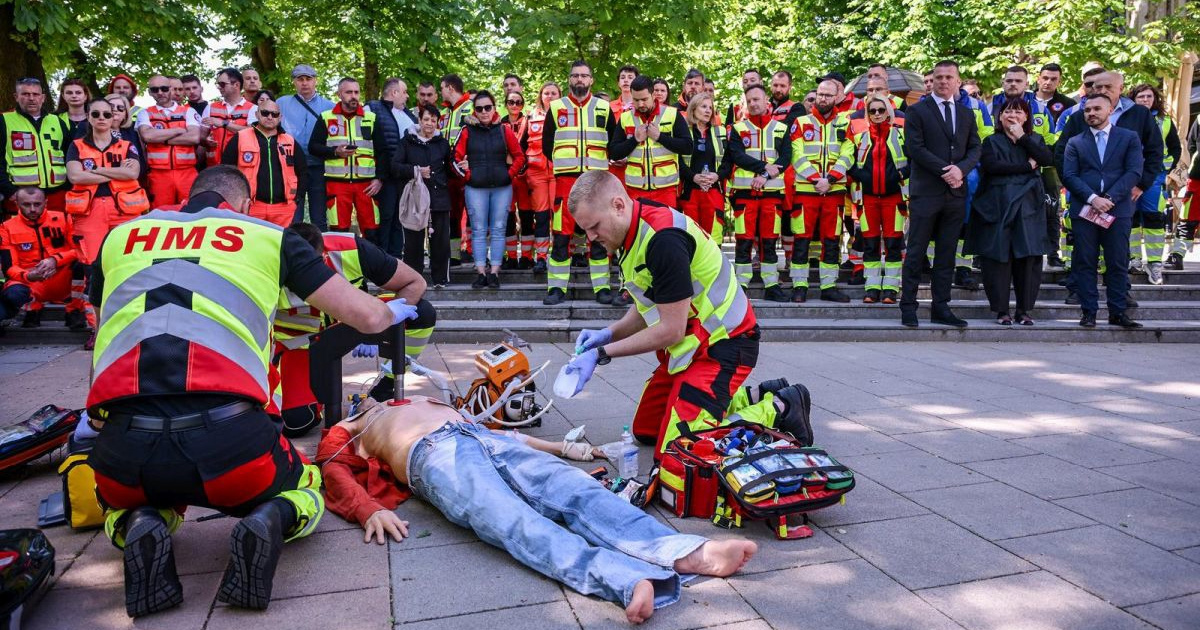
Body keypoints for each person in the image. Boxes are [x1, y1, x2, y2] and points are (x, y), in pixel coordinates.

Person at [82, 165, 418, 618]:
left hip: (127, 443)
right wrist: (393, 311)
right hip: (231, 443)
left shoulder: (119, 237)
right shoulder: (268, 237)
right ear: (243, 205)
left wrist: (99, 419)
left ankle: (142, 519)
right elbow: (368, 317)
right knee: (307, 487)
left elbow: (102, 334)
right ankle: (268, 517)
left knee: (119, 506)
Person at [318, 396, 757, 624]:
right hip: (434, 457)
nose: (365, 398)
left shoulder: (416, 400)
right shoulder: (352, 427)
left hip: (485, 438)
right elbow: (332, 470)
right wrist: (367, 510)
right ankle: (624, 580)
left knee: (577, 491)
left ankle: (687, 552)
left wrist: (566, 449)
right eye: (358, 398)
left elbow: (509, 434)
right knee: (514, 521)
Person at [563, 170, 812, 454]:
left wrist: (602, 353)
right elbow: (650, 305)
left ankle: (782, 406)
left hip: (725, 344)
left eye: (594, 226)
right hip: (695, 345)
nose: (591, 237)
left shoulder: (662, 240)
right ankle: (756, 394)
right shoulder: (635, 230)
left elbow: (671, 330)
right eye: (586, 230)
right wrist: (608, 334)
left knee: (678, 449)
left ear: (618, 205)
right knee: (646, 429)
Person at [272, 222, 436, 437]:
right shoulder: (266, 264)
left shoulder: (350, 249)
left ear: (323, 256)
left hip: (354, 321)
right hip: (298, 344)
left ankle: (385, 388)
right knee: (296, 422)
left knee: (421, 313)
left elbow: (415, 283)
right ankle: (311, 401)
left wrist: (378, 326)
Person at [1055, 71, 1164, 307]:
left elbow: (1155, 151)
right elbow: (1061, 154)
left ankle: (1120, 294)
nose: (1102, 91)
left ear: (1121, 88)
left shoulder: (1139, 114)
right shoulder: (1080, 116)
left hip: (1123, 196)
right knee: (1084, 251)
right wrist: (1081, 190)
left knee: (1117, 252)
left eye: (1108, 87)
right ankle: (1080, 291)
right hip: (1086, 198)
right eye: (1097, 87)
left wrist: (1141, 184)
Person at [900, 60, 982, 328]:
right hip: (926, 192)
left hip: (955, 193)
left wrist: (961, 170)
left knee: (946, 253)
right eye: (939, 77)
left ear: (958, 81)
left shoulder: (966, 113)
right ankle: (908, 307)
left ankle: (941, 307)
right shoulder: (917, 110)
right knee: (916, 251)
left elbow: (975, 148)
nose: (943, 81)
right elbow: (915, 148)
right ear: (932, 81)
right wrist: (946, 170)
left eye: (949, 77)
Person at [966, 97, 1054, 326]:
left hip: (1028, 206)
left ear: (1026, 117)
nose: (1012, 115)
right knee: (998, 258)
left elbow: (1046, 159)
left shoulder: (1035, 139)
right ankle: (1001, 310)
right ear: (1000, 116)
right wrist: (1026, 166)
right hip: (998, 205)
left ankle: (1024, 311)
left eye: (1018, 112)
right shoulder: (991, 141)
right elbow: (993, 167)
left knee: (1028, 258)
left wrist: (1022, 138)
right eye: (1007, 111)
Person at [541, 60, 620, 306]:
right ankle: (556, 289)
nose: (579, 80)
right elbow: (546, 146)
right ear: (569, 80)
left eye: (584, 76)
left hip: (596, 183)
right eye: (575, 75)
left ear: (591, 80)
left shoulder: (604, 108)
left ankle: (602, 289)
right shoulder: (556, 108)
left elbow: (613, 143)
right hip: (566, 181)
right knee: (561, 237)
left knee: (598, 237)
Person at [1062, 96, 1144, 329]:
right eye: (1087, 110)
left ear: (1110, 110)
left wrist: (1109, 199)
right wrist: (1093, 199)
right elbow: (1069, 175)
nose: (1091, 113)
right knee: (1085, 262)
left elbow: (1133, 171)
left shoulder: (1129, 138)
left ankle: (1117, 312)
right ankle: (1089, 312)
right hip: (1085, 210)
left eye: (1097, 108)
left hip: (1118, 210)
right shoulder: (1075, 142)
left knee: (1117, 262)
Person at [788, 79, 854, 303]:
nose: (822, 98)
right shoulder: (801, 122)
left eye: (827, 95)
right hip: (806, 191)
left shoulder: (845, 123)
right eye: (820, 94)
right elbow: (796, 155)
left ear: (837, 97)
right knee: (802, 240)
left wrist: (831, 178)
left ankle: (829, 286)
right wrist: (816, 179)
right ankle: (799, 286)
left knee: (832, 240)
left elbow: (848, 154)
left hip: (834, 191)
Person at [453, 90, 525, 289]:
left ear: (494, 108)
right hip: (475, 188)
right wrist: (468, 176)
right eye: (479, 108)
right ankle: (481, 272)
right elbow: (455, 158)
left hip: (502, 188)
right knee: (478, 230)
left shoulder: (504, 130)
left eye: (487, 107)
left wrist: (509, 175)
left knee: (499, 229)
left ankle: (494, 272)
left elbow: (520, 156)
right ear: (474, 111)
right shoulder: (466, 131)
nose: (484, 112)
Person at [726, 83, 791, 302]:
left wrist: (765, 176)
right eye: (749, 101)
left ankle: (771, 284)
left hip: (772, 194)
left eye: (757, 99)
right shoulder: (737, 129)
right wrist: (764, 167)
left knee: (769, 241)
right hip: (745, 194)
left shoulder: (781, 128)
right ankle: (741, 286)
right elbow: (737, 156)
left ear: (766, 101)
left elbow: (786, 158)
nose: (753, 104)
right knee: (743, 241)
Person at [64, 98, 148, 264]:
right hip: (89, 211)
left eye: (106, 114)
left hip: (124, 210)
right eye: (96, 114)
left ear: (112, 118)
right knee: (92, 262)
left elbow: (133, 173)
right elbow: (75, 176)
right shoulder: (77, 146)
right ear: (88, 117)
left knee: (129, 260)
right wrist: (118, 172)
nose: (101, 118)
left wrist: (97, 169)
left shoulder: (126, 145)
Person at [0, 187, 91, 330]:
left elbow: (80, 251)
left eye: (37, 204)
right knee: (13, 293)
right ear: (16, 204)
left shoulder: (64, 218)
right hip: (30, 281)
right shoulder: (6, 227)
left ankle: (74, 311)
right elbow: (9, 267)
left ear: (46, 202)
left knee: (82, 265)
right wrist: (28, 276)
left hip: (62, 277)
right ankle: (31, 310)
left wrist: (55, 260)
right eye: (26, 204)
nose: (32, 209)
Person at [847, 94, 908, 305]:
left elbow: (913, 158)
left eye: (881, 110)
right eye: (872, 111)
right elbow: (847, 159)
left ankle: (891, 289)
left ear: (888, 112)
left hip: (894, 198)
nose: (877, 114)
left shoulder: (901, 135)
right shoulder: (860, 137)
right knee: (870, 244)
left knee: (893, 243)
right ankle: (872, 288)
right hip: (867, 198)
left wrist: (901, 174)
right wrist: (860, 175)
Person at [308, 77, 385, 237]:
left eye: (356, 92)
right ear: (339, 94)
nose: (353, 96)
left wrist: (379, 178)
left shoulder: (371, 118)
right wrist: (335, 152)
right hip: (337, 184)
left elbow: (382, 151)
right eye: (349, 92)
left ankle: (369, 255)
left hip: (367, 185)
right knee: (339, 231)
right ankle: (342, 255)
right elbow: (313, 147)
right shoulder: (326, 117)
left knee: (372, 230)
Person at [608, 75, 692, 208]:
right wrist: (635, 139)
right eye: (636, 100)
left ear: (653, 95)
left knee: (665, 222)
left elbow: (688, 147)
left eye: (644, 99)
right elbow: (614, 153)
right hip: (635, 191)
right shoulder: (625, 118)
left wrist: (660, 137)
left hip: (666, 190)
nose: (640, 104)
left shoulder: (672, 114)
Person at [393, 104, 453, 287]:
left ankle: (440, 279)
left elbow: (450, 169)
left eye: (433, 120)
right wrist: (416, 171)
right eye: (426, 119)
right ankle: (414, 281)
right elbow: (395, 167)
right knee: (413, 243)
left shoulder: (442, 144)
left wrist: (462, 165)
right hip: (415, 199)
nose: (429, 123)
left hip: (439, 198)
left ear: (438, 123)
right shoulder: (406, 142)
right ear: (419, 120)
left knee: (441, 242)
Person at [221, 99, 306, 227]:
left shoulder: (290, 141)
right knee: (251, 239)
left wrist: (297, 199)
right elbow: (226, 171)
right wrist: (235, 200)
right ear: (257, 114)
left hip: (284, 208)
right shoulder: (240, 137)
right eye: (265, 113)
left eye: (274, 114)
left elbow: (303, 172)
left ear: (280, 118)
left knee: (280, 240)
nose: (270, 117)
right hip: (250, 206)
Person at [1127, 83, 1179, 285]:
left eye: (1149, 96)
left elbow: (1175, 148)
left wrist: (1165, 167)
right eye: (1141, 97)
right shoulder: (1126, 118)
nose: (1145, 100)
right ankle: (1134, 259)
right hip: (1130, 175)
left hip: (1155, 178)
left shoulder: (1165, 121)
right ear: (1133, 99)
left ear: (1155, 99)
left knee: (1154, 219)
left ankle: (1155, 263)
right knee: (1130, 219)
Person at [1, 78, 71, 214]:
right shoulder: (4, 121)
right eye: (25, 94)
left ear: (43, 97)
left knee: (57, 227)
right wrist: (9, 191)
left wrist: (67, 187)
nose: (31, 98)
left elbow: (70, 156)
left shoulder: (57, 121)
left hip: (57, 195)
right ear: (16, 97)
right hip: (20, 196)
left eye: (35, 94)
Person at [277, 64, 334, 229]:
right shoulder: (282, 103)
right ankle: (295, 244)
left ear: (315, 81)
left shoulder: (329, 106)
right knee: (294, 215)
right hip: (291, 167)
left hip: (319, 166)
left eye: (308, 79)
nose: (304, 83)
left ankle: (320, 244)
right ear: (294, 82)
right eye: (300, 79)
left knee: (319, 216)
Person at [137, 74, 203, 207]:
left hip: (187, 172)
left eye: (164, 88)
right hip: (159, 174)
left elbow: (194, 137)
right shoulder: (145, 113)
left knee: (192, 210)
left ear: (170, 89)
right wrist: (178, 130)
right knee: (161, 213)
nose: (160, 92)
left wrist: (161, 139)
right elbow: (148, 136)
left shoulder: (188, 111)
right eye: (155, 89)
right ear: (150, 92)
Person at [367, 77, 415, 257]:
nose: (407, 96)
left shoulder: (409, 115)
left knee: (398, 219)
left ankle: (396, 259)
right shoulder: (372, 109)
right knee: (384, 218)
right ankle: (381, 258)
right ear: (394, 93)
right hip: (383, 177)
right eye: (404, 92)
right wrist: (378, 176)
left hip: (403, 176)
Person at [678, 92, 727, 236]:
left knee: (713, 238)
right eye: (703, 107)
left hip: (713, 190)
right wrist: (693, 177)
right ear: (693, 109)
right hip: (689, 191)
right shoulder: (683, 131)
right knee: (691, 237)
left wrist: (717, 176)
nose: (708, 111)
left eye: (710, 108)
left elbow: (728, 161)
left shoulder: (721, 131)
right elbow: (677, 160)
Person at [523, 83, 559, 274]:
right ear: (541, 96)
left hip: (558, 171)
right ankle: (541, 257)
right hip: (536, 173)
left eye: (554, 93)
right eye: (546, 93)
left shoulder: (565, 115)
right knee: (542, 216)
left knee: (559, 214)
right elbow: (521, 144)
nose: (550, 96)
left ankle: (561, 254)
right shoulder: (530, 116)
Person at [439, 74, 473, 264]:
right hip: (447, 171)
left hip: (465, 169)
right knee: (452, 214)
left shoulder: (471, 107)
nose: (440, 92)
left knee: (472, 212)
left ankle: (472, 251)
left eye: (442, 88)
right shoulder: (444, 113)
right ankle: (454, 255)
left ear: (450, 88)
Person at [501, 90, 534, 269]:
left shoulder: (529, 121)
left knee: (527, 217)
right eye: (511, 102)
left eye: (518, 102)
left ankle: (527, 257)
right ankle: (512, 257)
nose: (514, 105)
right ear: (506, 104)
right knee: (508, 217)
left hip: (525, 176)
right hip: (506, 176)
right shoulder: (500, 123)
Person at [201, 68, 258, 167]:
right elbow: (201, 135)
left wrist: (224, 123)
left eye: (222, 84)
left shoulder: (253, 108)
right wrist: (205, 140)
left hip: (240, 166)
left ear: (236, 85)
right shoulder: (210, 107)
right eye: (218, 84)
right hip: (214, 167)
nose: (219, 87)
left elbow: (253, 133)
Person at [1172, 113, 1200, 269]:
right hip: (1197, 178)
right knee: (1187, 219)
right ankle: (1177, 256)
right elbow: (1191, 145)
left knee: (1188, 219)